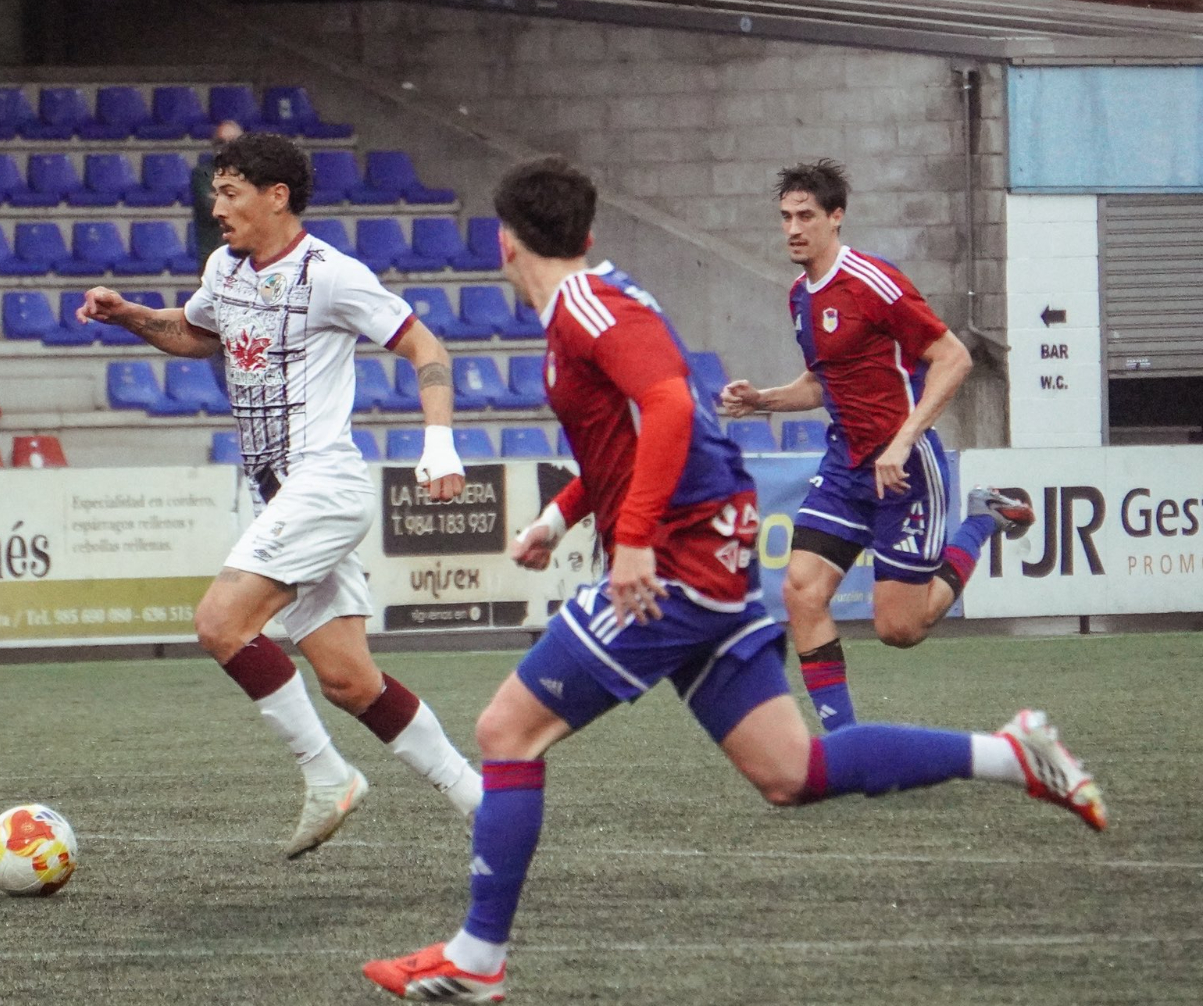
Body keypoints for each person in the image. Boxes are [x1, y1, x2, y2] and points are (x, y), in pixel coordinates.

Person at [362, 157, 1105, 1004]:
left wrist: (633, 541)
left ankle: (477, 960)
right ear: (589, 232)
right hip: (705, 562)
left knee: (504, 732)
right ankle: (1016, 754)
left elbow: (676, 406)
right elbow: (633, 439)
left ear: (503, 242)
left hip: (677, 568)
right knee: (791, 772)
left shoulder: (586, 307)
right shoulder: (591, 303)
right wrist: (561, 516)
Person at [78, 132, 482, 858]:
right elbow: (197, 334)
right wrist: (129, 315)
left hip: (322, 482)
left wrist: (440, 442)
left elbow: (429, 349)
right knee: (350, 681)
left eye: (230, 192)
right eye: (215, 192)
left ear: (277, 197)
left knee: (220, 624)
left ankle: (327, 775)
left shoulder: (332, 273)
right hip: (281, 496)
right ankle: (482, 804)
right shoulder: (223, 268)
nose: (217, 205)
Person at [719, 159, 1035, 734]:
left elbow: (953, 357)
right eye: (786, 216)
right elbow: (820, 383)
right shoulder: (800, 296)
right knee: (800, 592)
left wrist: (902, 440)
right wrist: (761, 397)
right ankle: (844, 745)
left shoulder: (872, 282)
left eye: (806, 216)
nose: (793, 227)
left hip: (907, 468)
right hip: (846, 465)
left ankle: (981, 520)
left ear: (836, 218)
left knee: (900, 629)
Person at [192, 119, 244, 263]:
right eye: (220, 142)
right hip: (213, 254)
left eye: (231, 142)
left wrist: (222, 197)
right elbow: (213, 208)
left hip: (245, 253)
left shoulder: (252, 174)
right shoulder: (202, 173)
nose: (225, 147)